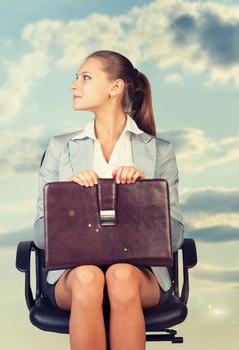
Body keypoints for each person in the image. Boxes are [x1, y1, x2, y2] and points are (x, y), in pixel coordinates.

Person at [33, 50, 185, 350]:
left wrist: (146, 195)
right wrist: (68, 197)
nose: (74, 85)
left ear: (115, 88)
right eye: (77, 78)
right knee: (90, 278)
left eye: (85, 77)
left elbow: (177, 237)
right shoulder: (60, 147)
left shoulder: (159, 151)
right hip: (72, 275)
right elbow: (39, 236)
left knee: (120, 275)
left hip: (140, 275)